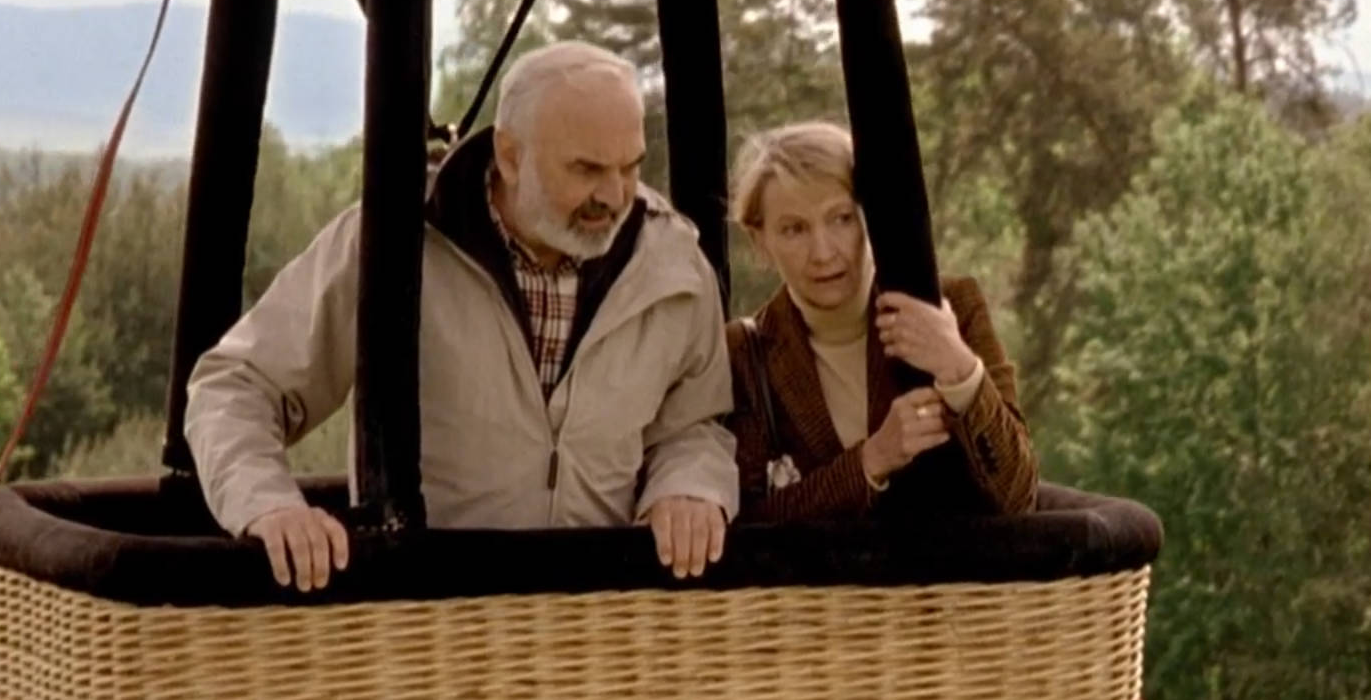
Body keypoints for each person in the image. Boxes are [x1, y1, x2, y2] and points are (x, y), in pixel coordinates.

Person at [184, 40, 737, 589]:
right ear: (510, 157)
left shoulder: (673, 265)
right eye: (587, 169)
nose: (614, 195)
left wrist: (688, 487)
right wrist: (269, 506)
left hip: (602, 623)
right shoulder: (391, 244)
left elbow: (695, 423)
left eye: (630, 167)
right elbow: (235, 386)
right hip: (431, 615)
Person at [724, 120, 1038, 521]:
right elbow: (750, 525)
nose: (823, 252)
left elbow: (1018, 496)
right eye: (794, 229)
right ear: (760, 242)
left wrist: (960, 369)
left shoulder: (953, 306)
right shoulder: (746, 354)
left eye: (841, 219)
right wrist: (871, 461)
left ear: (871, 217)